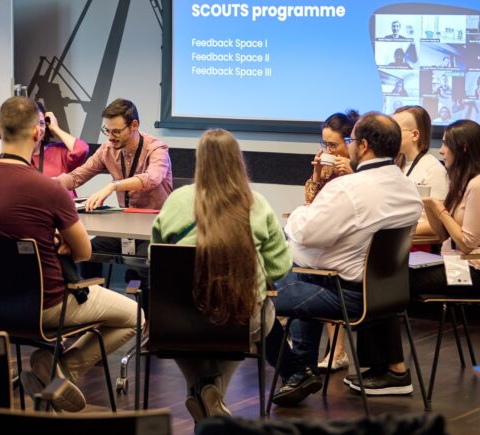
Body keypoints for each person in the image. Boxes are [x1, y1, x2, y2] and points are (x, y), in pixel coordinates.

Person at [0, 96, 140, 412]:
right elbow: (84, 252)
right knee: (136, 317)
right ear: (38, 134)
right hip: (45, 307)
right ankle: (63, 369)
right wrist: (60, 239)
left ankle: (51, 369)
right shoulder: (48, 189)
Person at [266, 112, 423, 407]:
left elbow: (302, 231)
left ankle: (297, 369)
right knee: (301, 275)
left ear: (362, 145)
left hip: (344, 295)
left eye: (350, 140)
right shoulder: (407, 188)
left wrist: (303, 209)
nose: (348, 147)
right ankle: (303, 370)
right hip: (384, 294)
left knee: (256, 298)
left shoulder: (349, 189)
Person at [350, 120, 480, 396]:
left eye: (446, 143)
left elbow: (467, 243)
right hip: (456, 264)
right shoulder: (462, 180)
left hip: (477, 272)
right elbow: (440, 234)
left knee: (389, 282)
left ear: (464, 147)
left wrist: (439, 207)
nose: (442, 150)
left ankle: (395, 371)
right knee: (384, 275)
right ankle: (378, 366)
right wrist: (430, 206)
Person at [151, 129, 292, 422]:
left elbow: (157, 259)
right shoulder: (257, 204)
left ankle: (202, 389)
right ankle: (212, 393)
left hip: (178, 322)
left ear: (199, 161)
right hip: (239, 320)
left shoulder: (176, 201)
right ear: (237, 161)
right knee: (253, 313)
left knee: (185, 331)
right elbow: (279, 268)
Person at [57, 98, 173, 288]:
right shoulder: (107, 150)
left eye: (116, 131)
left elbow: (153, 177)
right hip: (124, 229)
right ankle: (93, 301)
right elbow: (77, 176)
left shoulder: (156, 149)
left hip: (155, 230)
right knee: (84, 253)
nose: (110, 137)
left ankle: (149, 315)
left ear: (134, 125)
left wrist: (113, 186)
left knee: (146, 264)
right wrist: (46, 184)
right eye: (107, 131)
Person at [302, 110, 358, 372]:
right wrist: (316, 174)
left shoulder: (360, 171)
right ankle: (322, 351)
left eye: (333, 145)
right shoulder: (327, 169)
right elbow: (311, 205)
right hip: (329, 235)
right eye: (324, 145)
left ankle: (335, 351)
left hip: (352, 242)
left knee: (320, 272)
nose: (329, 150)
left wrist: (350, 173)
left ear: (351, 143)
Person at [31, 102, 89, 196]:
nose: (38, 129)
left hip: (65, 209)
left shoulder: (57, 151)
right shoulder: (16, 159)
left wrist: (55, 128)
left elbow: (82, 149)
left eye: (41, 123)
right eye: (32, 124)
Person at [393, 105, 448, 200]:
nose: (389, 135)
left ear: (414, 135)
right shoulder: (396, 164)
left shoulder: (434, 170)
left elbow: (436, 212)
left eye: (395, 130)